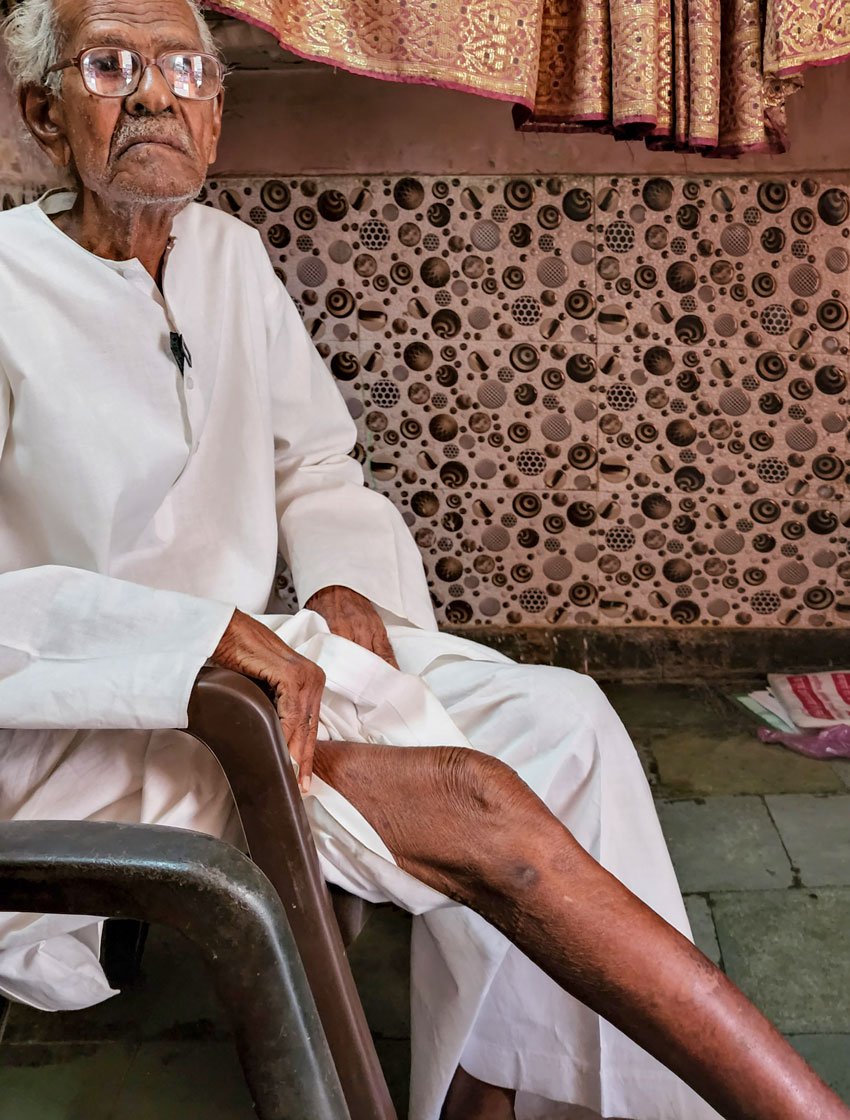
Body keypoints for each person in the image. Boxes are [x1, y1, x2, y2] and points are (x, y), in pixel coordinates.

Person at [0, 3, 847, 1119]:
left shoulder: (228, 258)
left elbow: (315, 462)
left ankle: (487, 1097)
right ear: (42, 114)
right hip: (100, 725)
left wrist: (349, 584)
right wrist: (195, 639)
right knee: (472, 798)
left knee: (570, 724)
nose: (155, 92)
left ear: (215, 108)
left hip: (279, 676)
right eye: (110, 64)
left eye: (184, 67)